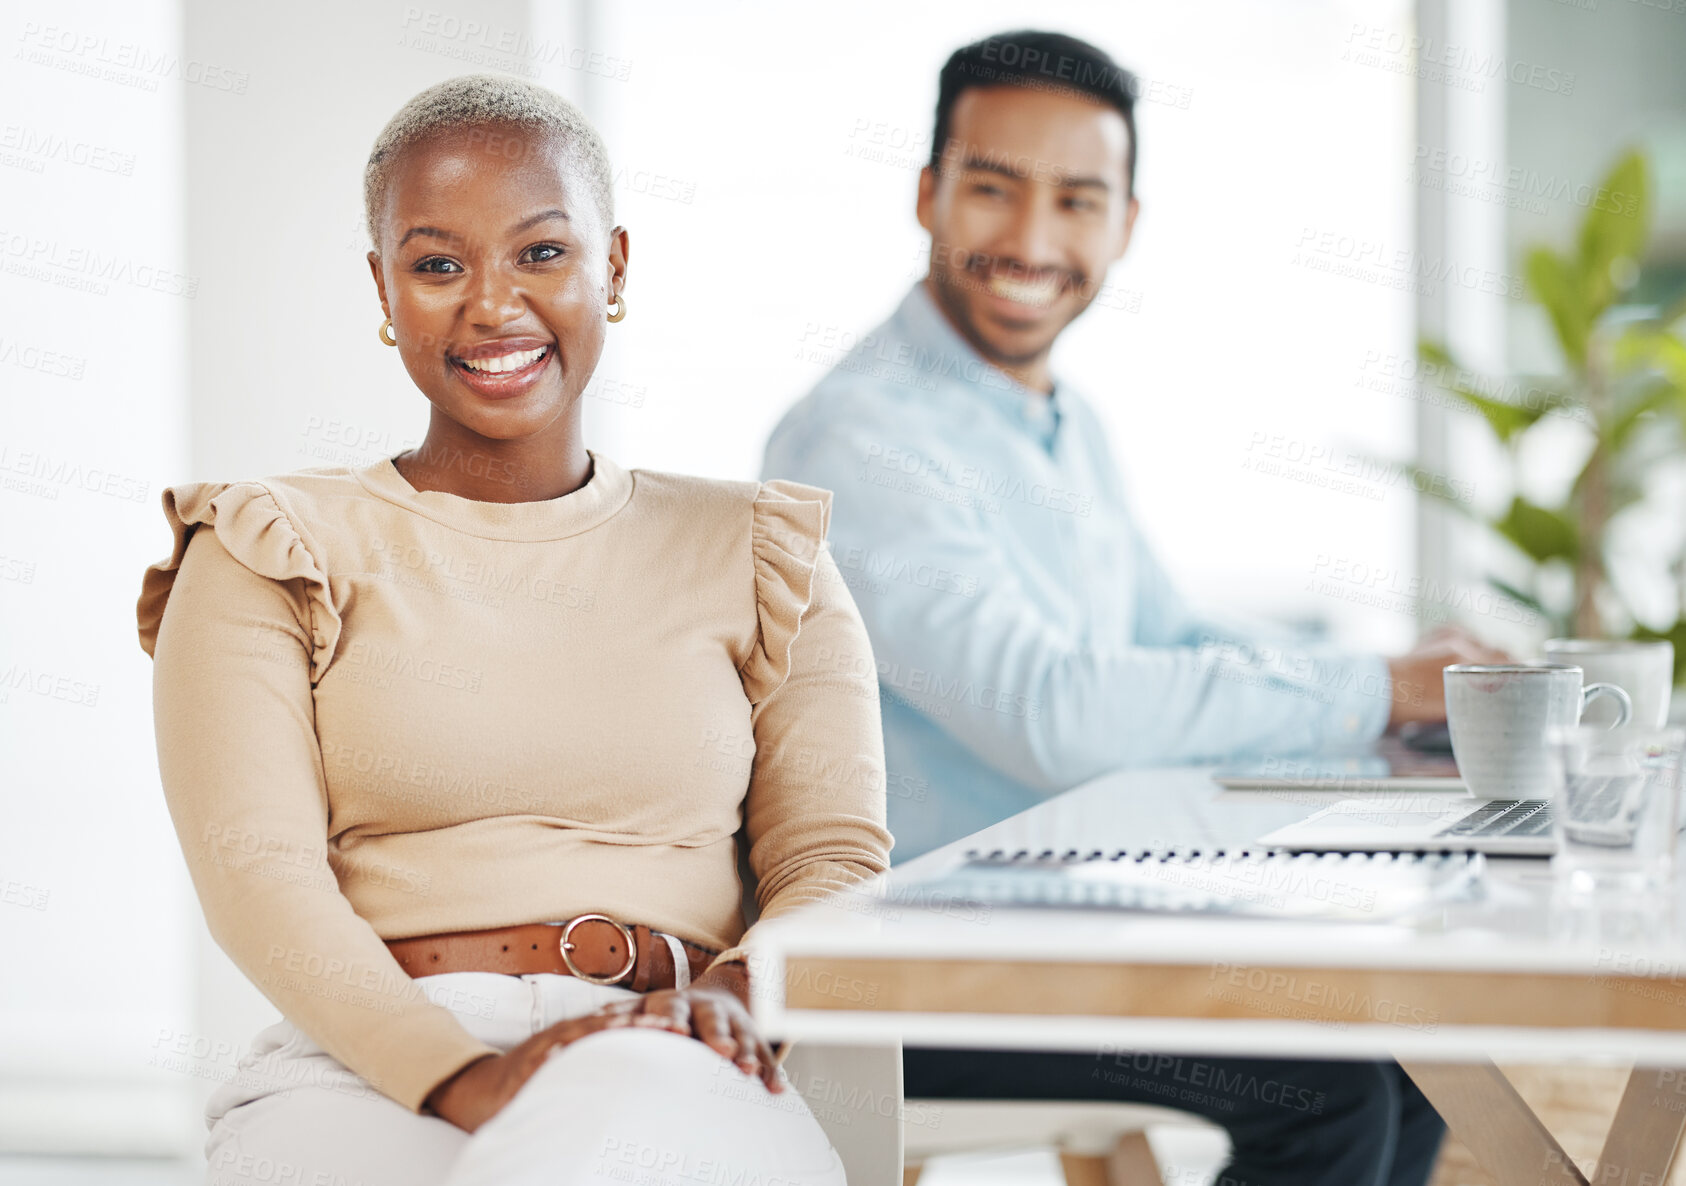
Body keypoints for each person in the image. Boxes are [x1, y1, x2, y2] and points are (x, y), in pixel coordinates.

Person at [761, 30, 1496, 1185]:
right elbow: (1054, 712)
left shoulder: (1061, 420)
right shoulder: (861, 436)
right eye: (992, 190)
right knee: (1329, 1088)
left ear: (1126, 224)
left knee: (1413, 1038)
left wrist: (1388, 686)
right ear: (926, 194)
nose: (1033, 242)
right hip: (915, 963)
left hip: (1072, 925)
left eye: (1076, 200)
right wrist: (1371, 692)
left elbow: (1163, 633)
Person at [136, 73, 889, 1186]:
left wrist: (730, 1000)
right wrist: (472, 1077)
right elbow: (257, 871)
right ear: (384, 288)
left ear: (614, 268)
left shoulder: (762, 554)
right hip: (368, 1067)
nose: (492, 305)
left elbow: (835, 860)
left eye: (541, 253)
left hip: (677, 1046)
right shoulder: (266, 546)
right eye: (438, 264)